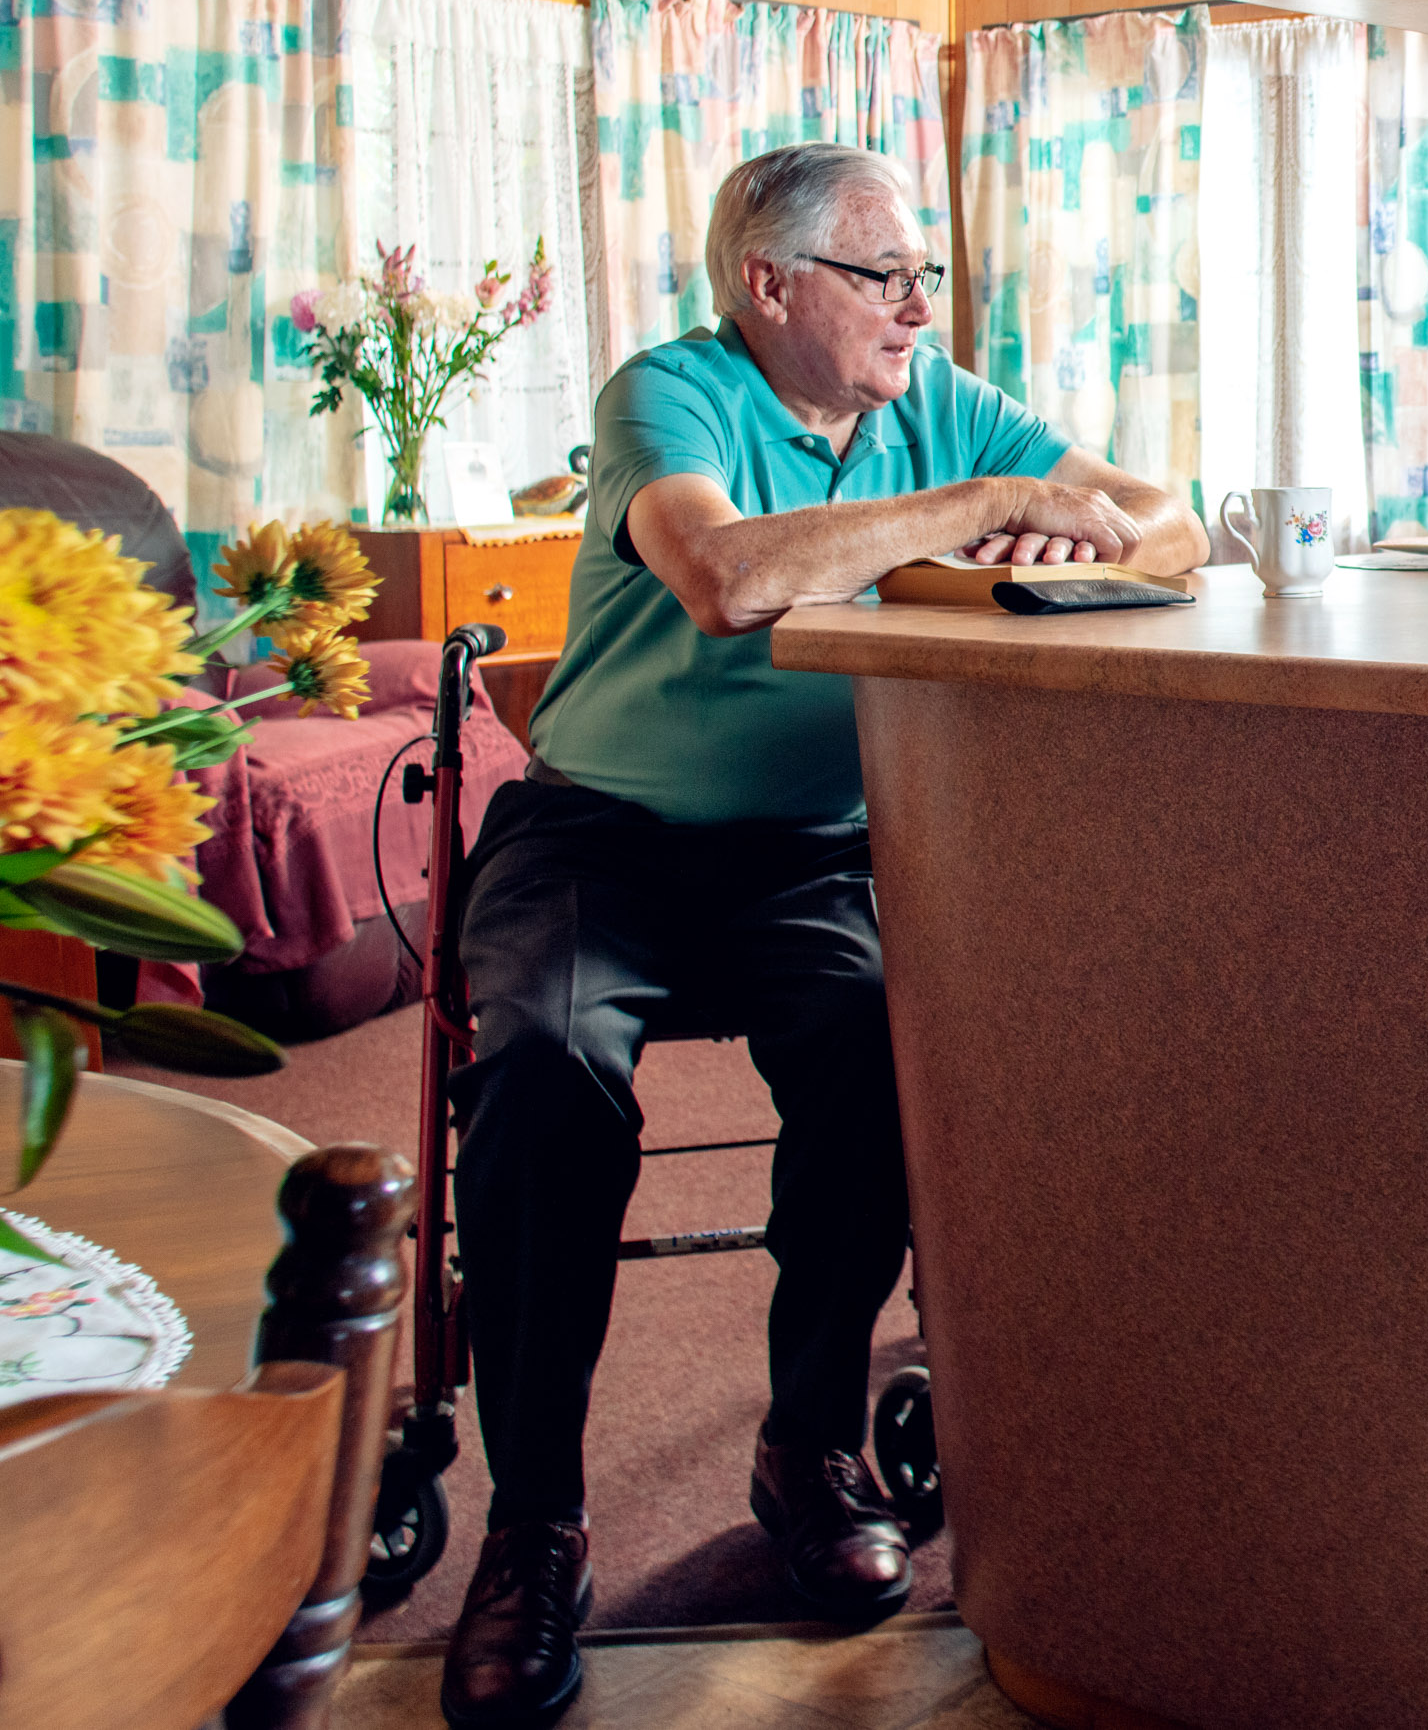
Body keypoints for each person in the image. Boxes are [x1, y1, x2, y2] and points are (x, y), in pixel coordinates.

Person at [439, 144, 1205, 1729]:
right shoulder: (674, 393)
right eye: (885, 275)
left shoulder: (946, 400)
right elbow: (727, 577)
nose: (921, 305)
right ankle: (535, 1526)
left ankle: (810, 1443)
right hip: (600, 838)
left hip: (812, 856)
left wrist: (1085, 536)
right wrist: (991, 506)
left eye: (926, 275)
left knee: (886, 1054)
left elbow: (1176, 520)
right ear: (768, 284)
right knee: (541, 1063)